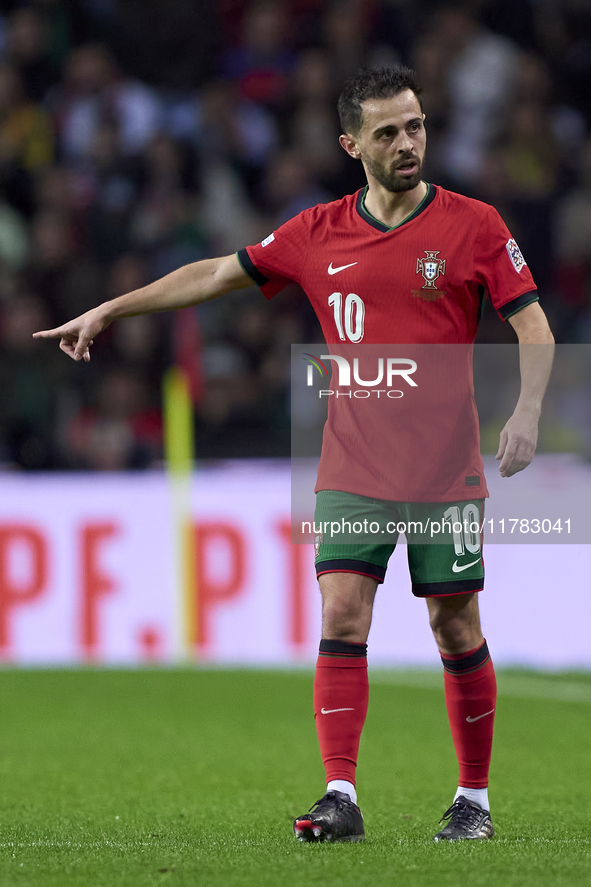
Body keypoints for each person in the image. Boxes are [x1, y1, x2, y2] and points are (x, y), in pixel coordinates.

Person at [34, 66, 554, 843]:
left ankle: (471, 799)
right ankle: (339, 794)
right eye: (387, 132)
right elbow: (216, 273)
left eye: (414, 126)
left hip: (445, 469)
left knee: (452, 624)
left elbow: (534, 327)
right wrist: (112, 307)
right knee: (343, 610)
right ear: (351, 144)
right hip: (351, 465)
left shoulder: (475, 224)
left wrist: (526, 411)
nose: (407, 142)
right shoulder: (315, 233)